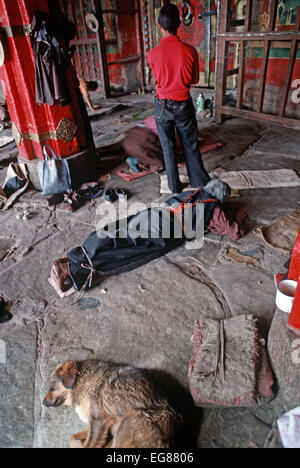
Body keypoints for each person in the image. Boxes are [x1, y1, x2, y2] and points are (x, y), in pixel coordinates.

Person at [49, 180, 247, 296]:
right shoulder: (215, 209)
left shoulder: (195, 191)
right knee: (127, 250)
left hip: (155, 214)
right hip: (166, 229)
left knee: (116, 232)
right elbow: (235, 232)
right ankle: (75, 272)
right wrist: (237, 219)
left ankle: (75, 259)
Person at [147, 2, 210, 195]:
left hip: (162, 106)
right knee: (190, 143)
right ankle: (198, 181)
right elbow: (194, 79)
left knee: (168, 146)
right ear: (179, 24)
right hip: (183, 104)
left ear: (159, 25)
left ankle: (174, 186)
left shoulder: (152, 54)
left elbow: (158, 79)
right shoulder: (190, 51)